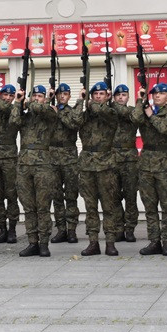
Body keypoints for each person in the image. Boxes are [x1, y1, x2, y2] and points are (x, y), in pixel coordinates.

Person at [132, 83, 167, 256]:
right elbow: (135, 119)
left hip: (166, 164)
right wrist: (141, 100)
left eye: (162, 93)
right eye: (155, 94)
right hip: (146, 164)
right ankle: (154, 241)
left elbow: (165, 130)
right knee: (150, 206)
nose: (158, 96)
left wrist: (151, 115)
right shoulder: (145, 111)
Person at [72, 82, 120, 256]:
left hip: (106, 164)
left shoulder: (111, 112)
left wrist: (94, 105)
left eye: (101, 94)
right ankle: (93, 242)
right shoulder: (85, 115)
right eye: (95, 94)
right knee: (90, 206)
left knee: (108, 206)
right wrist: (80, 100)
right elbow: (74, 120)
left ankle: (110, 242)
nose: (98, 96)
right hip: (87, 165)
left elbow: (103, 111)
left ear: (107, 96)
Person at [12, 84, 59, 257]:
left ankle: (44, 242)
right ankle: (33, 241)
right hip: (24, 164)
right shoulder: (25, 116)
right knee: (29, 206)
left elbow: (44, 111)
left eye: (40, 96)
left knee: (43, 206)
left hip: (43, 165)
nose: (37, 99)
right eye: (34, 96)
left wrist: (30, 103)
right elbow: (13, 121)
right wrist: (18, 103)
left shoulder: (50, 112)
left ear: (45, 99)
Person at [50, 83, 80, 244]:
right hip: (53, 156)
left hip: (69, 157)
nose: (62, 96)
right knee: (56, 196)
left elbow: (73, 124)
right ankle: (61, 229)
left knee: (71, 195)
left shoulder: (73, 111)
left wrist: (59, 113)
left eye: (66, 94)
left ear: (69, 96)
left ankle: (72, 229)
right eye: (60, 94)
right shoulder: (49, 111)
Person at [0, 85, 20, 244]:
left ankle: (13, 229)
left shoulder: (15, 109)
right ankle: (2, 229)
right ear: (1, 95)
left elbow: (12, 115)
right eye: (5, 95)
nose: (8, 98)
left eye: (11, 95)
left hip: (9, 157)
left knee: (11, 195)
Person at [112, 85, 140, 242]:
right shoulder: (110, 112)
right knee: (114, 196)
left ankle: (130, 229)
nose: (121, 97)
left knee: (130, 196)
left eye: (124, 94)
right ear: (114, 97)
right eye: (118, 95)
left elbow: (136, 117)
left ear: (128, 97)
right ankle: (118, 228)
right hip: (113, 158)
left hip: (129, 159)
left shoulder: (132, 111)